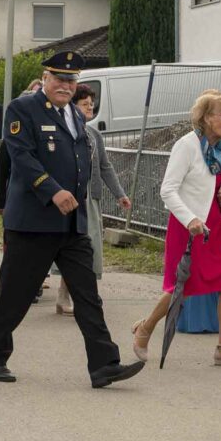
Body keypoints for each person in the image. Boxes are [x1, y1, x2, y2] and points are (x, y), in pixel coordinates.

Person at [0, 51, 145, 387]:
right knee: (16, 294)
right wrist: (51, 190)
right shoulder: (22, 109)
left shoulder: (75, 115)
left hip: (71, 224)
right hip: (33, 222)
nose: (65, 85)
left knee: (87, 295)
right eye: (59, 78)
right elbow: (21, 156)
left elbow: (81, 161)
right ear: (45, 79)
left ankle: (103, 365)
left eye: (71, 80)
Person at [131, 89, 221, 369]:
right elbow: (168, 190)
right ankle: (146, 328)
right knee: (179, 288)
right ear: (207, 118)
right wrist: (190, 220)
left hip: (215, 221)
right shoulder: (186, 145)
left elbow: (215, 178)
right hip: (188, 224)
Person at [54, 84, 131, 315]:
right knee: (73, 247)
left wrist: (120, 194)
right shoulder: (62, 131)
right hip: (70, 198)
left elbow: (105, 166)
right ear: (72, 106)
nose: (90, 108)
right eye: (84, 104)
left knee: (89, 247)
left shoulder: (94, 134)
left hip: (90, 197)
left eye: (91, 104)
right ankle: (65, 294)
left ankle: (77, 295)